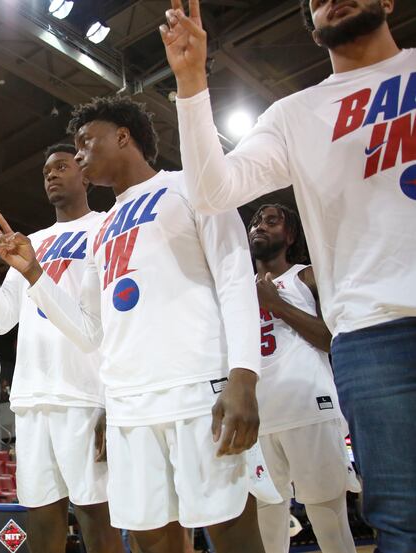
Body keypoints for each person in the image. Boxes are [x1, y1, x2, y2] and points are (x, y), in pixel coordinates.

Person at [161, 1, 415, 549]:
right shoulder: (295, 114)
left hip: (318, 392)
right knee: (401, 520)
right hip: (374, 335)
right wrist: (190, 83)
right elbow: (212, 192)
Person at [0, 95, 263, 553]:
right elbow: (92, 330)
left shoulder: (190, 185)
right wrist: (34, 274)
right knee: (151, 538)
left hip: (196, 388)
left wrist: (244, 376)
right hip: (129, 403)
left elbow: (235, 281)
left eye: (85, 143)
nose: (78, 156)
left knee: (230, 530)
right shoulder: (104, 226)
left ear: (123, 136)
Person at [0, 144, 123, 553]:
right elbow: (0, 319)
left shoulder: (106, 227)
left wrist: (112, 401)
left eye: (62, 167)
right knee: (43, 523)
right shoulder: (32, 240)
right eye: (46, 170)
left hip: (85, 396)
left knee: (97, 523)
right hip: (32, 399)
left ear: (85, 175)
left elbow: (110, 324)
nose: (51, 174)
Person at [246, 204, 361, 552]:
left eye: (271, 221)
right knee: (267, 527)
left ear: (290, 235)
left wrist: (276, 304)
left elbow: (332, 338)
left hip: (309, 407)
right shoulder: (235, 286)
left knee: (328, 519)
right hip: (258, 418)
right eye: (255, 222)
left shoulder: (306, 275)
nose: (259, 227)